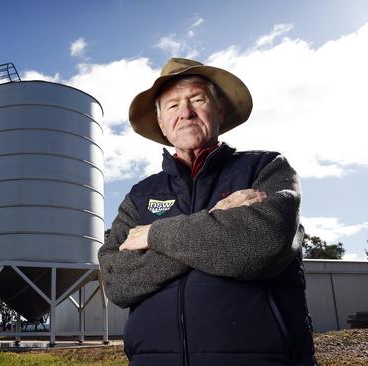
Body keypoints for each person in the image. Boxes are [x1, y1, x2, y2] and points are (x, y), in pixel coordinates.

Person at [98, 58, 316, 365]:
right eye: (172, 106)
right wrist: (216, 223)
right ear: (161, 123)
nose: (185, 112)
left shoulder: (266, 168)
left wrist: (154, 234)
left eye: (197, 100)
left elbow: (263, 243)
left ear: (219, 110)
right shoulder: (141, 195)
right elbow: (117, 282)